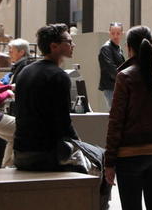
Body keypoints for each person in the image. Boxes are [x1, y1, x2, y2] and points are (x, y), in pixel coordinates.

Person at [13, 24, 111, 209]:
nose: (73, 44)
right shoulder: (59, 76)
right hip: (46, 155)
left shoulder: (25, 71)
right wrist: (80, 145)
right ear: (54, 46)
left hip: (21, 152)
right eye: (68, 41)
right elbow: (63, 124)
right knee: (102, 158)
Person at [104, 26, 152, 210]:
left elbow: (116, 121)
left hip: (129, 157)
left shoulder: (125, 77)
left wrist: (110, 161)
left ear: (129, 48)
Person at [98, 22, 125, 108]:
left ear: (122, 34)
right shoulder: (106, 48)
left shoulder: (118, 48)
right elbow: (111, 69)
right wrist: (124, 80)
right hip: (111, 87)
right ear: (109, 33)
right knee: (114, 113)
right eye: (113, 33)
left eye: (118, 33)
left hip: (117, 85)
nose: (115, 36)